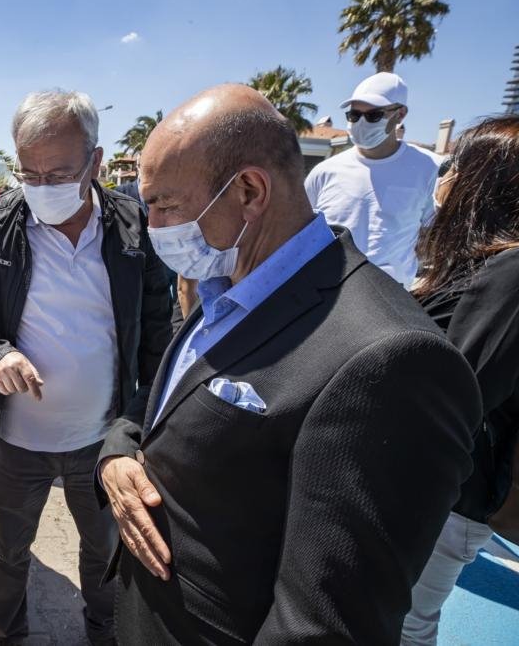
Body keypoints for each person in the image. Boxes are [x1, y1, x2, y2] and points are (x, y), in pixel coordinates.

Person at [96, 84, 481, 644]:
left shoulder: (390, 360)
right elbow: (164, 399)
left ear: (249, 190)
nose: (151, 225)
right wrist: (117, 453)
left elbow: (323, 626)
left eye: (165, 205)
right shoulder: (222, 284)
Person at [0, 89, 172, 645]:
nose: (42, 189)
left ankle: (102, 632)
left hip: (101, 442)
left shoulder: (135, 228)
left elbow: (159, 338)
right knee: (8, 555)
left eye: (59, 173)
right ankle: (7, 636)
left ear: (95, 161)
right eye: (30, 174)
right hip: (15, 444)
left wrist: (134, 430)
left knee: (104, 551)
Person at [401, 115, 519, 644]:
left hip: (444, 498)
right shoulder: (481, 267)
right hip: (436, 492)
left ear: (483, 180)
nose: (442, 179)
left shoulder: (510, 273)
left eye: (453, 167)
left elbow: (458, 390)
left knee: (403, 627)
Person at [305, 72, 441, 287]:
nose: (361, 122)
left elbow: (434, 235)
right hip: (328, 295)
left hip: (391, 300)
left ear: (400, 115)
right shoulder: (324, 171)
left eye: (373, 115)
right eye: (354, 115)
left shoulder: (430, 169)